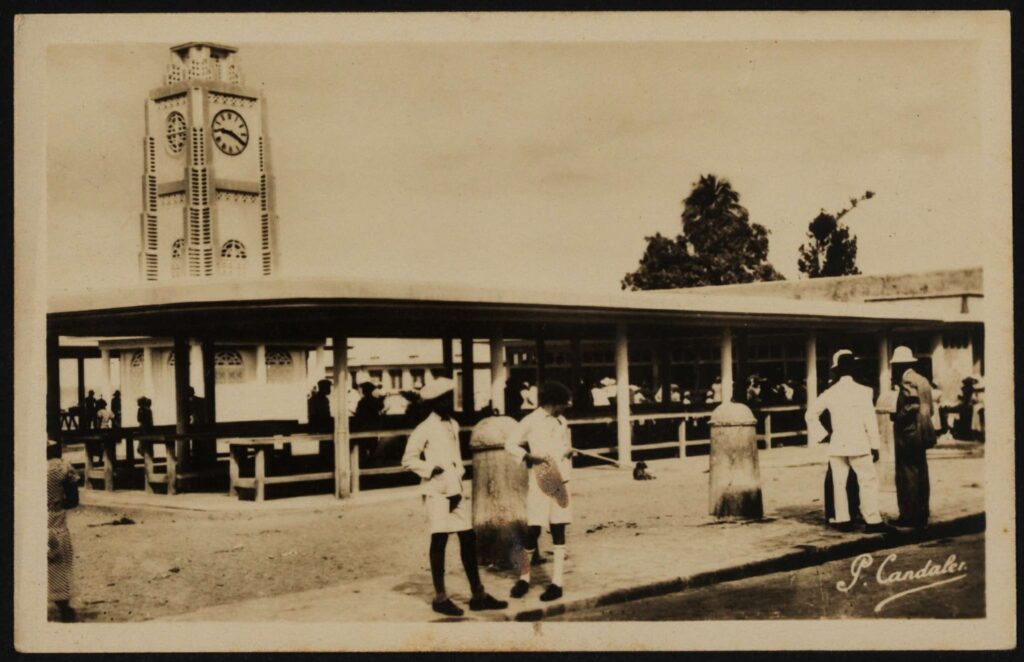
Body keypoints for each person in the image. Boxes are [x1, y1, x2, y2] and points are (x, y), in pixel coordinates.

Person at [400, 378, 507, 616]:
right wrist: (432, 469)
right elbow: (408, 460)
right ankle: (440, 597)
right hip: (437, 492)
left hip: (455, 491)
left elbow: (455, 458)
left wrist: (457, 481)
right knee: (439, 540)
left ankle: (478, 593)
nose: (449, 402)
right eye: (444, 399)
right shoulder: (424, 428)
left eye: (450, 397)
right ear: (434, 403)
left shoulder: (454, 425)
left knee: (468, 539)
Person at [806, 352, 894, 533]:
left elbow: (810, 414)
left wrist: (824, 435)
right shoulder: (864, 391)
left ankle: (843, 519)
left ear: (838, 371)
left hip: (837, 444)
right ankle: (873, 520)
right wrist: (875, 445)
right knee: (867, 481)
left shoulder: (830, 392)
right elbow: (870, 420)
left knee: (839, 483)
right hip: (859, 444)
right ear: (853, 370)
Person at [505, 381, 575, 602]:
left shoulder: (561, 421)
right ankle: (525, 579)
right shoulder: (532, 420)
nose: (565, 408)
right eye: (563, 404)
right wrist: (528, 456)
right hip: (539, 480)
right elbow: (510, 443)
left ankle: (557, 583)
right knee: (533, 529)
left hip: (560, 481)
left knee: (558, 528)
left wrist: (568, 452)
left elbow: (563, 446)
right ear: (553, 402)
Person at [890, 346, 935, 528]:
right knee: (921, 473)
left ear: (900, 365)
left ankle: (908, 515)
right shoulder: (922, 380)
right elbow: (929, 408)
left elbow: (912, 404)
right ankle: (922, 513)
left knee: (906, 475)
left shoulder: (907, 380)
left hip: (908, 433)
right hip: (923, 432)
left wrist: (897, 416)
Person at [48, 440, 80, 622]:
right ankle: (63, 607)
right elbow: (73, 500)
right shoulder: (62, 468)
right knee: (58, 562)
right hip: (55, 519)